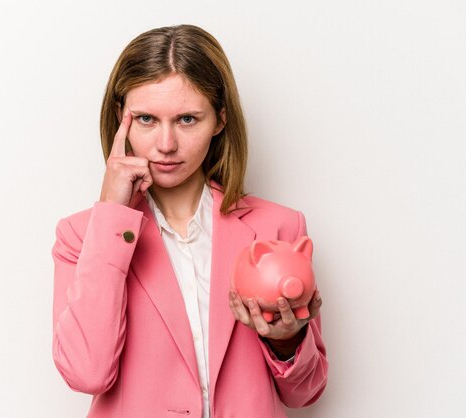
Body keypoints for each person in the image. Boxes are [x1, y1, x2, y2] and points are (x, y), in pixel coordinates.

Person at [52, 24, 328, 418]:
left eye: (186, 119)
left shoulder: (279, 229)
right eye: (146, 119)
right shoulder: (81, 237)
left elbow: (306, 393)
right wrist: (112, 216)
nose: (166, 144)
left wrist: (287, 342)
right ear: (120, 119)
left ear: (219, 119)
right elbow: (87, 374)